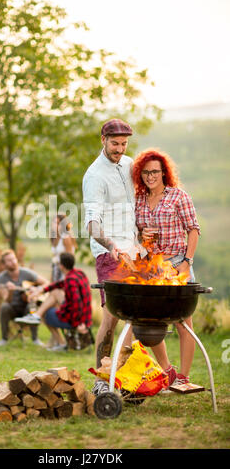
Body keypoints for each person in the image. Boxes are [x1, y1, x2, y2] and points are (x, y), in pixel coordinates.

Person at [82, 118, 147, 395]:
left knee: (134, 317)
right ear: (103, 140)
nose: (119, 149)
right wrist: (110, 245)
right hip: (110, 253)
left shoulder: (130, 164)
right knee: (112, 317)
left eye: (123, 144)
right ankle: (101, 381)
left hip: (134, 250)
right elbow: (92, 224)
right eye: (114, 144)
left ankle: (123, 377)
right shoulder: (95, 175)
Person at [132, 147, 201, 389]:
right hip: (151, 266)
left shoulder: (178, 196)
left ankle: (183, 377)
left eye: (155, 172)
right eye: (145, 172)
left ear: (164, 173)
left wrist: (187, 262)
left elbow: (193, 229)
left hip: (176, 264)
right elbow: (138, 236)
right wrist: (142, 235)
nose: (150, 176)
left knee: (183, 323)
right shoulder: (139, 200)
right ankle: (167, 370)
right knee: (150, 321)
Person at [19, 253, 92, 352]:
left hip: (77, 319)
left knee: (46, 314)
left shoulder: (70, 280)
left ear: (61, 266)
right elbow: (60, 284)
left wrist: (78, 323)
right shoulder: (79, 273)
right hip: (85, 315)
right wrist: (42, 290)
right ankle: (37, 315)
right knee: (55, 292)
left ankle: (61, 343)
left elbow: (77, 303)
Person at [0, 249, 49, 347]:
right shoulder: (1, 278)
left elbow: (46, 283)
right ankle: (4, 339)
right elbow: (6, 300)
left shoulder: (27, 273)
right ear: (4, 265)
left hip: (26, 308)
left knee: (32, 306)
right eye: (9, 260)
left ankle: (35, 339)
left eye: (14, 259)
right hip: (13, 308)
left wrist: (36, 290)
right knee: (4, 306)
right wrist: (10, 292)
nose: (13, 262)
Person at [50, 213, 77, 282]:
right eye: (54, 222)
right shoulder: (55, 238)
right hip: (56, 267)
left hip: (64, 269)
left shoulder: (66, 238)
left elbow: (70, 257)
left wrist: (66, 274)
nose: (55, 225)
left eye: (58, 223)